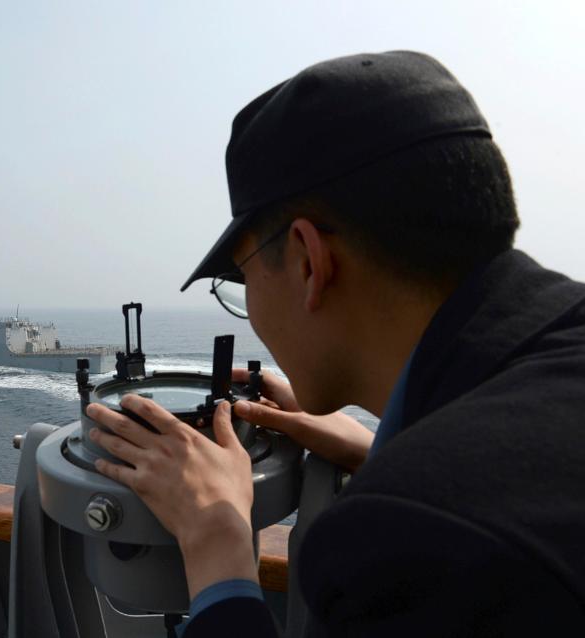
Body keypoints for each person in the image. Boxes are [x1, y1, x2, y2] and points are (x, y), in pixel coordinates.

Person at [85, 51, 585, 636]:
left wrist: (216, 538)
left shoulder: (403, 539)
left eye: (241, 276)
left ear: (307, 262)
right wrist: (385, 446)